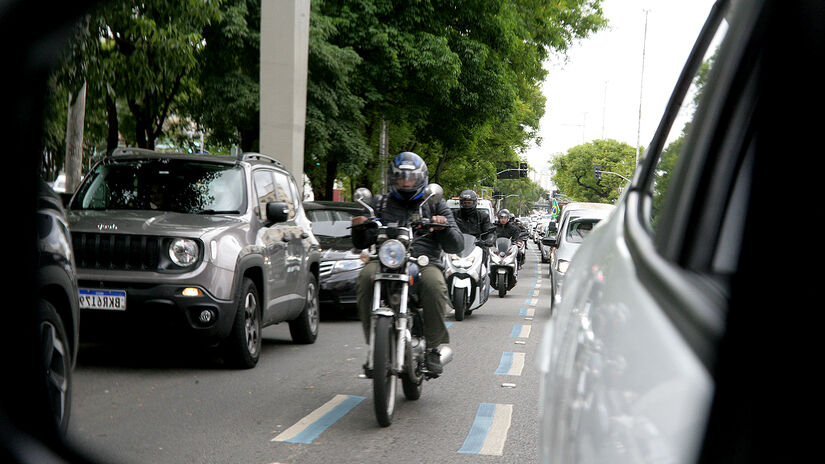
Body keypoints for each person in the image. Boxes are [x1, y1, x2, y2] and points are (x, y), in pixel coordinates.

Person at [351, 152, 463, 376]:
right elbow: (361, 242)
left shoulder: (434, 204)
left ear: (421, 178)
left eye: (410, 178)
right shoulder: (380, 203)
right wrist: (360, 226)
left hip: (423, 261)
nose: (406, 182)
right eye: (401, 177)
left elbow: (457, 245)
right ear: (394, 178)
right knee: (364, 277)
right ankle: (375, 345)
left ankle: (432, 347)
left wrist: (444, 227)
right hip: (385, 261)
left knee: (434, 285)